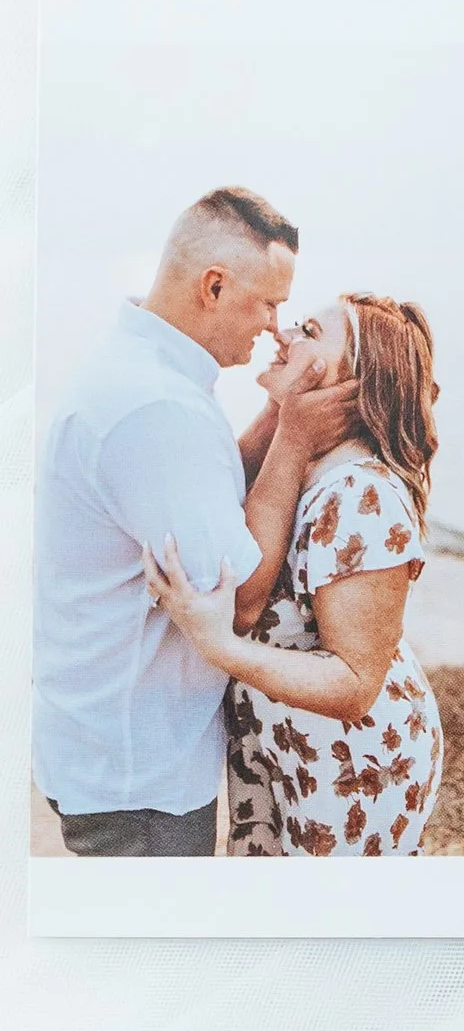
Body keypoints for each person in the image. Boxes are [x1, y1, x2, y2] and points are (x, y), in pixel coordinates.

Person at [33, 188, 354, 855]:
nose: (273, 325)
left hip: (105, 744)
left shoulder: (141, 372)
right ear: (214, 286)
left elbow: (202, 493)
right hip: (138, 779)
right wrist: (294, 441)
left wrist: (278, 416)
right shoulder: (157, 409)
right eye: (269, 301)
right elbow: (236, 600)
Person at [146, 295, 447, 856]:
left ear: (352, 383)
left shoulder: (360, 494)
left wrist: (218, 647)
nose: (283, 333)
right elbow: (220, 498)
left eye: (308, 330)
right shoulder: (307, 461)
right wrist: (288, 417)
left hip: (350, 766)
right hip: (293, 747)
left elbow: (355, 684)